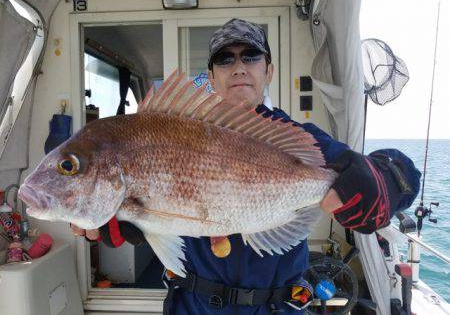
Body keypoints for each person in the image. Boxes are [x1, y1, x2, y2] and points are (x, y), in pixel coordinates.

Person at [71, 18, 421, 314]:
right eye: (225, 59)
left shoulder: (299, 139)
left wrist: (384, 179)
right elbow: (163, 222)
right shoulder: (177, 131)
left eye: (250, 56)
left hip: (277, 307)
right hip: (193, 305)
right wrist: (137, 221)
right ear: (210, 76)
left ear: (268, 71)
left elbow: (408, 177)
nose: (238, 66)